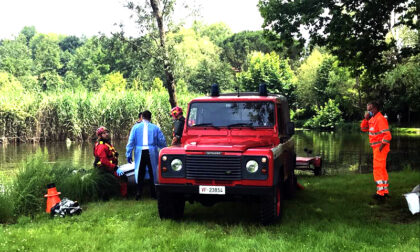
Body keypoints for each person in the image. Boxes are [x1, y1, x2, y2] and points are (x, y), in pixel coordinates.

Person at [126, 110, 167, 200]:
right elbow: (162, 141)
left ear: (142, 117)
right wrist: (165, 148)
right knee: (153, 172)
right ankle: (153, 194)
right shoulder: (155, 128)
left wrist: (128, 153)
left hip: (140, 151)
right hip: (151, 151)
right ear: (150, 118)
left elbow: (131, 141)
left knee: (140, 172)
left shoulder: (135, 127)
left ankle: (139, 193)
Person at [360, 101, 392, 201]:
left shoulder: (380, 119)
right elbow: (363, 128)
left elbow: (388, 136)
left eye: (369, 110)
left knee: (378, 169)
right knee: (382, 169)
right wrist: (366, 118)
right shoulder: (372, 119)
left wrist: (381, 148)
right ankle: (384, 191)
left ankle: (380, 194)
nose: (367, 111)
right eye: (367, 110)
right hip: (377, 149)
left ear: (374, 109)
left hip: (380, 149)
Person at [93, 126, 127, 197]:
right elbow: (104, 161)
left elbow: (109, 153)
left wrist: (115, 154)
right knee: (123, 177)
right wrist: (115, 168)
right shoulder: (101, 146)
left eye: (107, 132)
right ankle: (123, 196)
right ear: (100, 135)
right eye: (104, 133)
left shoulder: (106, 143)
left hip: (108, 167)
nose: (107, 134)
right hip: (104, 168)